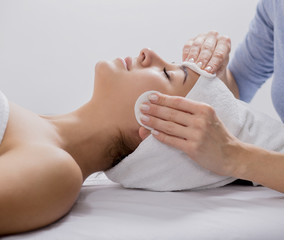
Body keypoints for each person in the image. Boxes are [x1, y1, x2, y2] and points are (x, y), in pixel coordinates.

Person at [138, 0, 284, 214]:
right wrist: (215, 72)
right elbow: (236, 89)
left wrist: (235, 157)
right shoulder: (283, 5)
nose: (145, 55)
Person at [0, 48, 200, 235]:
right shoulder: (38, 127)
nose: (147, 53)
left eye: (167, 73)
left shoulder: (55, 168)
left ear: (154, 131)